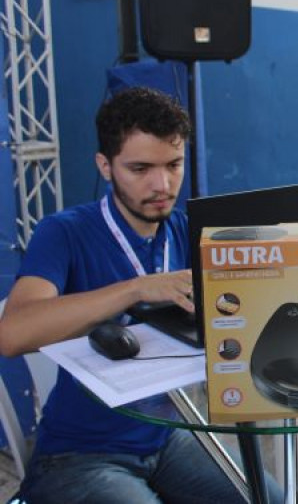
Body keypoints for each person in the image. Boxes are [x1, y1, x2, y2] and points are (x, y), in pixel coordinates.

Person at [0, 87, 280, 503]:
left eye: (174, 165)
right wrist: (134, 289)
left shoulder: (190, 231)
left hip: (171, 439)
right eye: (140, 168)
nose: (162, 184)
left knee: (269, 499)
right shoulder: (65, 232)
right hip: (80, 454)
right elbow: (13, 334)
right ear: (105, 166)